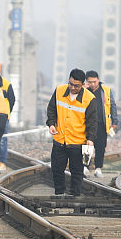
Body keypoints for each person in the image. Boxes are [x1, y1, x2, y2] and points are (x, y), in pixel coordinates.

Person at [45, 68, 102, 196]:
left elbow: (92, 121)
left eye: (76, 86)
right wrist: (51, 124)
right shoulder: (59, 91)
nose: (72, 87)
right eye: (70, 84)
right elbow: (51, 109)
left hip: (78, 141)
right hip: (60, 139)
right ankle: (59, 193)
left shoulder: (89, 98)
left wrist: (90, 138)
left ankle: (74, 195)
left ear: (83, 85)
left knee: (77, 171)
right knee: (57, 169)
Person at [84, 70, 117, 179]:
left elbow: (112, 105)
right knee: (87, 146)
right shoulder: (84, 91)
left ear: (98, 80)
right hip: (87, 124)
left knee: (101, 146)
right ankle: (85, 167)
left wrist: (115, 122)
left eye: (94, 81)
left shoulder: (106, 91)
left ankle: (98, 168)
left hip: (102, 123)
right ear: (86, 82)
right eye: (90, 82)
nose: (92, 84)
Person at [0, 62, 17, 170]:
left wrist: (7, 112)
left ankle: (1, 162)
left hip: (3, 117)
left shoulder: (6, 85)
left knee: (2, 140)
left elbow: (12, 100)